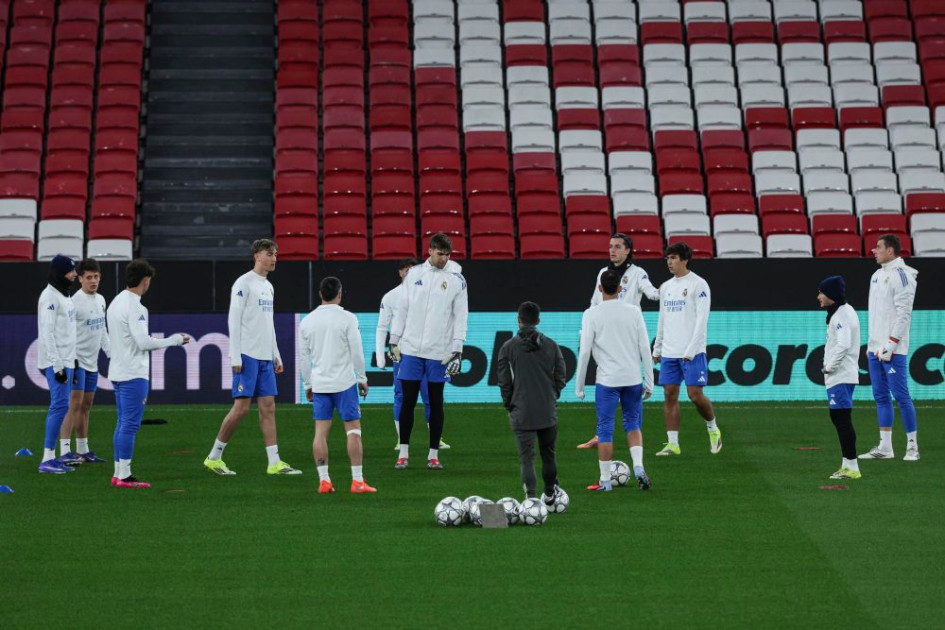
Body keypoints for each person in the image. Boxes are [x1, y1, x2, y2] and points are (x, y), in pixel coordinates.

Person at [204, 239, 300, 476]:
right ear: (257, 255)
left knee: (268, 407)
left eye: (275, 254)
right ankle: (214, 457)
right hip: (247, 355)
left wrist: (276, 353)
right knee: (241, 409)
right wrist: (235, 355)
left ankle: (274, 462)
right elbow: (233, 319)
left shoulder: (269, 286)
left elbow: (269, 323)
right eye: (269, 254)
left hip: (265, 357)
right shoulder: (243, 283)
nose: (274, 258)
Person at [389, 232, 468, 470]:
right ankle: (403, 453)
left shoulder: (457, 280)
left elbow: (461, 316)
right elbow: (402, 309)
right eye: (440, 253)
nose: (444, 258)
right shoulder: (414, 275)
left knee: (435, 402)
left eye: (447, 255)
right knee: (408, 401)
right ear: (430, 250)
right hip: (411, 349)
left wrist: (457, 348)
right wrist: (394, 340)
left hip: (438, 352)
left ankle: (433, 455)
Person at [107, 260, 190, 488]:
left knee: (122, 423)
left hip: (118, 370)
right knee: (130, 425)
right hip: (133, 373)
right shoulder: (136, 307)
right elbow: (143, 342)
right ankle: (124, 476)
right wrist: (174, 340)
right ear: (145, 281)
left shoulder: (115, 302)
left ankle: (118, 473)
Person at [578, 233, 660, 449]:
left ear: (628, 250)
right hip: (605, 335)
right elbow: (594, 302)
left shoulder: (638, 273)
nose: (612, 250)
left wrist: (669, 292)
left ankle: (630, 431)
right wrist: (585, 331)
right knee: (606, 381)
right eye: (610, 246)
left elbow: (652, 293)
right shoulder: (603, 273)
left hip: (627, 337)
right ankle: (601, 433)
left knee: (625, 383)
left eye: (617, 246)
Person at [575, 269, 655, 491]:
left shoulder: (591, 314)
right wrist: (649, 381)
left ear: (599, 288)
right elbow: (645, 348)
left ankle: (605, 481)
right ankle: (638, 467)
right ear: (621, 289)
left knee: (605, 429)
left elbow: (585, 352)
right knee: (633, 423)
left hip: (608, 380)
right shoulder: (634, 311)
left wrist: (579, 386)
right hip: (632, 378)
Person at [299, 277, 375, 494]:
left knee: (320, 433)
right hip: (344, 384)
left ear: (320, 294)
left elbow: (303, 358)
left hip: (320, 385)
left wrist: (307, 384)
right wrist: (362, 378)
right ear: (340, 294)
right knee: (353, 430)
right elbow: (357, 351)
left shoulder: (307, 322)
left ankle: (324, 481)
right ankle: (357, 481)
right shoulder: (348, 318)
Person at [652, 242, 721, 456]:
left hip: (693, 352)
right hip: (670, 351)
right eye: (667, 258)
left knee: (695, 395)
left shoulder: (698, 284)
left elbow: (702, 319)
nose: (669, 262)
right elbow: (662, 319)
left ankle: (713, 429)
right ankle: (673, 444)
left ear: (685, 259)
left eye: (673, 258)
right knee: (669, 394)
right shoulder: (665, 287)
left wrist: (691, 349)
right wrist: (657, 347)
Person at [496, 301, 567, 505]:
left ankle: (531, 499)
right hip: (547, 410)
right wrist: (552, 395)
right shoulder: (552, 345)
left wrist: (509, 404)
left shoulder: (508, 348)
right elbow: (561, 375)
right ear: (538, 320)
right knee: (549, 455)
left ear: (519, 320)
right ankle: (550, 494)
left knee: (527, 458)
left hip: (521, 411)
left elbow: (504, 382)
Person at [375, 258, 449, 450]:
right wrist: (381, 356)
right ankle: (401, 439)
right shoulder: (391, 297)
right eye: (405, 270)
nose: (409, 273)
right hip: (403, 355)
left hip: (429, 352)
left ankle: (436, 439)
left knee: (431, 396)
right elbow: (382, 327)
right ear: (400, 273)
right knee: (401, 395)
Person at [860, 234, 920, 461]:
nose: (874, 251)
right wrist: (872, 343)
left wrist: (892, 344)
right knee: (880, 396)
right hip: (875, 348)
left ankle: (912, 447)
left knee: (901, 396)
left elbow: (904, 314)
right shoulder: (876, 275)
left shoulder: (903, 275)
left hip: (894, 349)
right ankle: (885, 448)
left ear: (890, 251)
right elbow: (876, 314)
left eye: (878, 247)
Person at [59, 259, 110, 464]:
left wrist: (111, 353)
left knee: (86, 405)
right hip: (76, 362)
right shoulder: (74, 303)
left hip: (92, 363)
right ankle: (64, 451)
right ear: (80, 279)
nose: (93, 281)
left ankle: (83, 449)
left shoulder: (101, 300)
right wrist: (69, 359)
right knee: (74, 405)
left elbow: (102, 330)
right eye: (89, 277)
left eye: (96, 276)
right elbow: (65, 334)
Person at [37, 255, 79, 473]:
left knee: (62, 406)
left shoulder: (64, 295)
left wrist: (73, 358)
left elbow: (67, 331)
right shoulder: (50, 297)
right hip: (57, 361)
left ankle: (52, 457)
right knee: (59, 406)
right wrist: (57, 365)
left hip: (66, 359)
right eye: (70, 271)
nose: (74, 275)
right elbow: (47, 333)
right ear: (59, 273)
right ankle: (47, 459)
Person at [817, 276, 861, 480]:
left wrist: (829, 367)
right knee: (839, 418)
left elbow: (843, 344)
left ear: (831, 295)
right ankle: (847, 465)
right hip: (843, 374)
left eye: (821, 292)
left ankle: (852, 467)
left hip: (841, 374)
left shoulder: (841, 315)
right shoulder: (844, 311)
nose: (818, 296)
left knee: (842, 419)